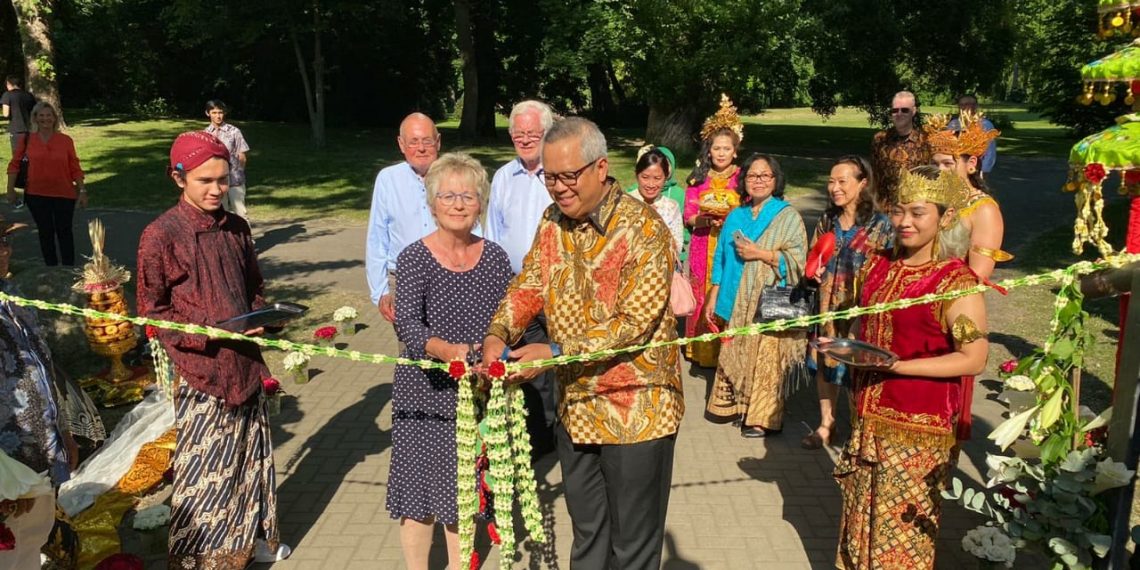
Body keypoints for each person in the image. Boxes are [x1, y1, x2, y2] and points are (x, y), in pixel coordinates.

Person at [482, 117, 682, 569]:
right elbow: (529, 284)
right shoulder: (552, 221)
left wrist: (553, 352)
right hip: (576, 409)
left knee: (632, 547)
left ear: (600, 167)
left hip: (637, 412)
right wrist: (499, 332)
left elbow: (634, 322)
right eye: (550, 177)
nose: (558, 188)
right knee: (588, 537)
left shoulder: (644, 229)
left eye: (568, 176)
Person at [136, 131, 288, 567]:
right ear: (178, 178)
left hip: (244, 366)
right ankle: (200, 558)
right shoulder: (160, 235)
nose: (217, 189)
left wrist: (265, 319)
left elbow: (253, 290)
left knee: (249, 462)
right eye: (205, 180)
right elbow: (153, 312)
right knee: (206, 474)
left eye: (224, 180)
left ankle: (251, 542)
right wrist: (208, 331)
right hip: (201, 374)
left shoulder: (237, 227)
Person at [834, 166, 987, 570]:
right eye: (899, 211)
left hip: (917, 428)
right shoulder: (877, 266)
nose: (904, 222)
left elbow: (974, 356)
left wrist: (899, 367)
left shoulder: (955, 281)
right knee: (860, 523)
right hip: (867, 416)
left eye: (918, 213)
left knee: (900, 537)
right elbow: (861, 323)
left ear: (945, 217)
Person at [387, 152, 512, 570]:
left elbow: (505, 321)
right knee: (418, 496)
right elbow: (406, 325)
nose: (458, 204)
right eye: (448, 195)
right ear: (431, 203)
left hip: (475, 395)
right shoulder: (413, 257)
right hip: (423, 395)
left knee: (463, 493)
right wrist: (446, 350)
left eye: (468, 195)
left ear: (481, 203)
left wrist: (497, 357)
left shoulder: (494, 257)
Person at [703, 153, 808, 438]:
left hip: (769, 300)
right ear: (743, 181)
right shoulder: (736, 215)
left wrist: (759, 254)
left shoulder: (787, 216)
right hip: (734, 298)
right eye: (752, 176)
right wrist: (713, 295)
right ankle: (733, 405)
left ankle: (763, 418)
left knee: (766, 358)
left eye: (765, 175)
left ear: (775, 180)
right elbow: (722, 259)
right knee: (735, 351)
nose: (758, 181)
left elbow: (799, 259)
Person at [0, 218, 78, 570]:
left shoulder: (11, 297)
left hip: (41, 454)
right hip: (9, 472)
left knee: (29, 548)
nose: (4, 251)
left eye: (4, 241)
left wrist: (63, 433)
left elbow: (41, 369)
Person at [801, 156, 893, 450]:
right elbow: (814, 254)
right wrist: (812, 270)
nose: (834, 187)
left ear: (862, 184)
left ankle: (860, 428)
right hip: (826, 305)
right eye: (831, 181)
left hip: (859, 308)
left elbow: (888, 270)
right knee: (824, 365)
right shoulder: (828, 220)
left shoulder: (881, 225)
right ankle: (827, 423)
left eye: (842, 181)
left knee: (858, 370)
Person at [485, 100, 558, 451]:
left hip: (558, 288)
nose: (525, 140)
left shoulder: (560, 173)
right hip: (519, 289)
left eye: (533, 133)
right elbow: (493, 235)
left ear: (546, 134)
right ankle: (542, 434)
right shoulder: (502, 177)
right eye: (519, 134)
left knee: (563, 356)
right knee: (528, 362)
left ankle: (569, 431)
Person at [684, 94, 744, 368]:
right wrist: (706, 220)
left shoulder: (743, 178)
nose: (720, 153)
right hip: (702, 243)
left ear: (735, 151)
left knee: (728, 291)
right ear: (709, 150)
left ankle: (727, 351)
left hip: (732, 245)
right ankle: (701, 351)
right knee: (702, 293)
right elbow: (689, 215)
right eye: (716, 148)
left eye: (726, 148)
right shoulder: (698, 179)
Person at [366, 112, 441, 323]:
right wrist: (381, 292)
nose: (421, 148)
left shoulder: (453, 175)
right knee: (410, 352)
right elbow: (377, 239)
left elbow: (473, 229)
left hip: (449, 279)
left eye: (427, 141)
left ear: (438, 142)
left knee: (452, 350)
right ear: (401, 144)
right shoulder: (388, 179)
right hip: (403, 281)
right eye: (413, 142)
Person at [928, 111, 1008, 280]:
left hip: (954, 299)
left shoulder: (983, 210)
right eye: (935, 164)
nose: (939, 171)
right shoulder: (931, 199)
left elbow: (977, 275)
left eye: (947, 163)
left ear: (971, 164)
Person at [5, 102, 86, 267]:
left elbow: (74, 167)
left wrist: (82, 190)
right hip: (36, 194)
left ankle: (68, 269)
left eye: (49, 115)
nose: (45, 119)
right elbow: (14, 165)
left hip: (64, 193)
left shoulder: (65, 140)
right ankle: (51, 269)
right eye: (41, 115)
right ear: (35, 118)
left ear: (54, 118)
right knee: (45, 232)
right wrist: (10, 189)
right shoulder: (27, 139)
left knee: (64, 232)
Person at [870, 91, 932, 208]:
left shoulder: (926, 140)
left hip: (916, 208)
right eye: (895, 110)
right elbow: (874, 176)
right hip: (885, 209)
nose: (899, 114)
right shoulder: (880, 139)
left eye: (904, 110)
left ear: (913, 111)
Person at [627, 145, 688, 261]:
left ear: (666, 178)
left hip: (661, 270)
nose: (650, 184)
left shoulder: (671, 207)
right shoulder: (626, 202)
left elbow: (677, 246)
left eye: (657, 178)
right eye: (645, 177)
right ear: (636, 175)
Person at [204, 100, 252, 221]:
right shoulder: (205, 134)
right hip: (216, 179)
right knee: (221, 212)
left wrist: (239, 172)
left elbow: (242, 155)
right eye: (214, 112)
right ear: (207, 113)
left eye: (220, 112)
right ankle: (226, 239)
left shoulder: (234, 131)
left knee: (240, 212)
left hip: (234, 177)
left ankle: (246, 239)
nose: (218, 116)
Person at [947, 94, 997, 176]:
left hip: (978, 167)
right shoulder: (953, 124)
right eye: (963, 104)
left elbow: (990, 150)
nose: (967, 107)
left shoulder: (985, 125)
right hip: (957, 166)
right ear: (959, 107)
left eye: (970, 104)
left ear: (976, 106)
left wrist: (984, 170)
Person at [1, 75, 35, 151]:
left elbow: (5, 114)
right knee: (29, 153)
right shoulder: (29, 95)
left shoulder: (7, 95)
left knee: (18, 155)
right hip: (30, 128)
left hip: (16, 129)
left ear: (9, 84)